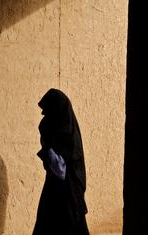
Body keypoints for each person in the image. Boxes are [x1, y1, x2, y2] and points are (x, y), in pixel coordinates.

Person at [33, 88, 90, 235]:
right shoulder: (52, 126)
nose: (44, 115)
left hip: (68, 189)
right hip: (57, 187)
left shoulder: (67, 132)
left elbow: (62, 166)